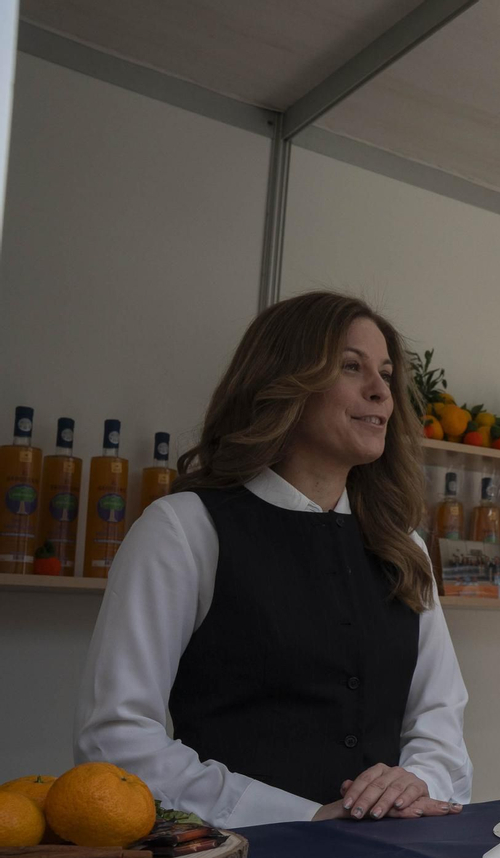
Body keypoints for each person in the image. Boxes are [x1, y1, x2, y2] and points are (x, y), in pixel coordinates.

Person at [76, 292, 472, 828]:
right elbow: (116, 740)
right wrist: (300, 816)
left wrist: (417, 781)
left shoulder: (405, 545)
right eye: (351, 367)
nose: (381, 391)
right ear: (284, 380)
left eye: (384, 373)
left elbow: (438, 717)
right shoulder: (183, 530)